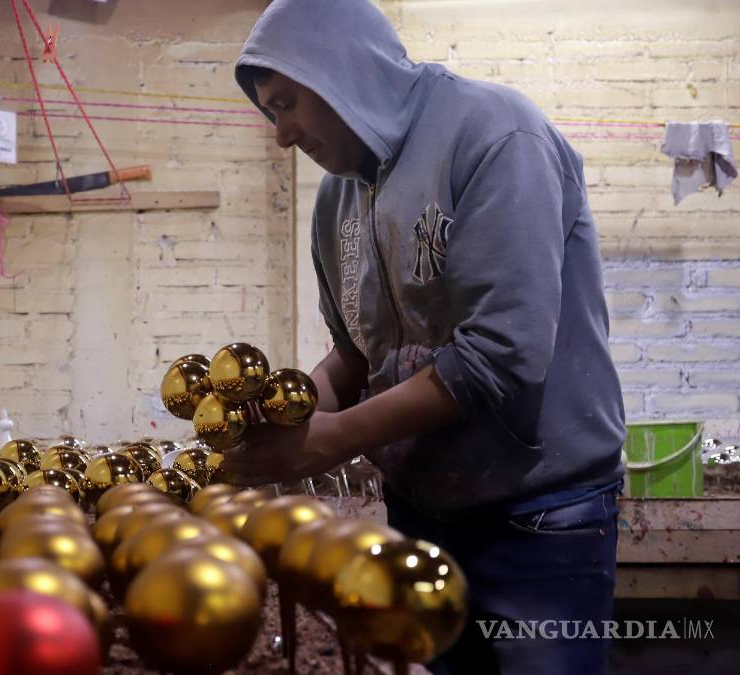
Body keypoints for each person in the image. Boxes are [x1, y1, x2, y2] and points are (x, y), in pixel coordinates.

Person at [222, 1, 626, 673]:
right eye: (271, 112)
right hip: (423, 511)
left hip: (539, 516)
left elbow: (500, 357)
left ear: (343, 70)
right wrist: (289, 417)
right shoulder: (338, 198)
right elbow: (355, 354)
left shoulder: (495, 136)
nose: (282, 135)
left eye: (288, 103)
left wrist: (330, 439)